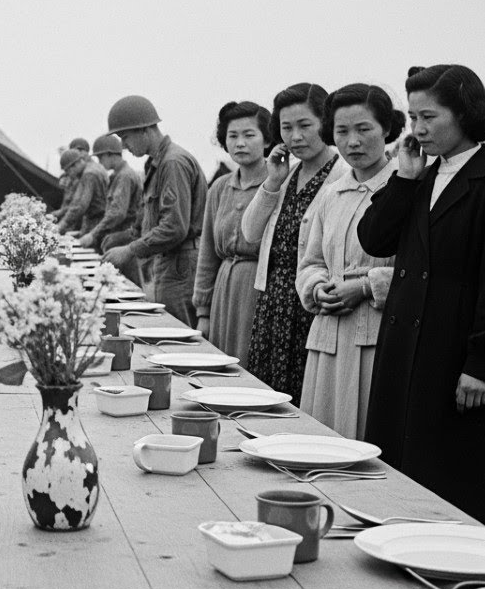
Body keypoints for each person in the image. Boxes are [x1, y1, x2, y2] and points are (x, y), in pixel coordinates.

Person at [358, 65, 485, 533]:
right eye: (412, 117)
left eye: (429, 117)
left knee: (458, 472)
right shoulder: (420, 178)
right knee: (404, 465)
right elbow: (375, 238)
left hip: (456, 353)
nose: (417, 129)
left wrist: (481, 363)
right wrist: (404, 180)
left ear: (465, 113)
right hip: (407, 352)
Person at [296, 85, 402, 439]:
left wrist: (366, 285)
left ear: (386, 129)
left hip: (378, 334)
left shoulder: (406, 188)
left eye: (364, 129)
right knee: (324, 435)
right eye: (342, 131)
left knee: (372, 435)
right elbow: (310, 261)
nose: (352, 141)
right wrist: (317, 287)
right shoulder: (332, 193)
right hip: (328, 334)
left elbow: (419, 268)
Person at [240, 83, 348, 402]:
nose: (295, 137)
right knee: (265, 395)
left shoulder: (343, 175)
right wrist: (272, 180)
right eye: (287, 128)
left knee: (305, 396)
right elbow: (250, 232)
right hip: (274, 300)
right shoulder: (285, 173)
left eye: (305, 125)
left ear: (325, 124)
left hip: (312, 302)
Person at [100, 95, 208, 325]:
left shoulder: (172, 163)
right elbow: (145, 222)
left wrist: (130, 250)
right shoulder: (156, 164)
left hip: (181, 265)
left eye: (125, 137)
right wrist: (120, 240)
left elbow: (174, 227)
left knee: (177, 338)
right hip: (169, 263)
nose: (124, 146)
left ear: (144, 130)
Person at [192, 101, 273, 367]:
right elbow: (207, 253)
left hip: (259, 289)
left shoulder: (277, 185)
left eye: (249, 135)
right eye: (233, 136)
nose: (240, 143)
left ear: (266, 139)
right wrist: (203, 310)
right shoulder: (218, 188)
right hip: (224, 290)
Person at [78, 135, 142, 251]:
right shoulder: (118, 175)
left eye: (100, 158)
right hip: (122, 237)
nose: (100, 163)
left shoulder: (124, 176)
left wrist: (93, 234)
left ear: (109, 154)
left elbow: (117, 213)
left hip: (124, 238)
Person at [56, 148, 108, 234]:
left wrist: (61, 226)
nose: (69, 175)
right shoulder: (95, 167)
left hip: (96, 221)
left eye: (68, 171)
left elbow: (79, 206)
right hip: (99, 220)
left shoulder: (88, 175)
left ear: (75, 164)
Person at [50, 138, 91, 220]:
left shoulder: (89, 172)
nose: (79, 153)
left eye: (81, 150)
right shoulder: (74, 170)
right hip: (69, 212)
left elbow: (80, 204)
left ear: (87, 152)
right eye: (75, 150)